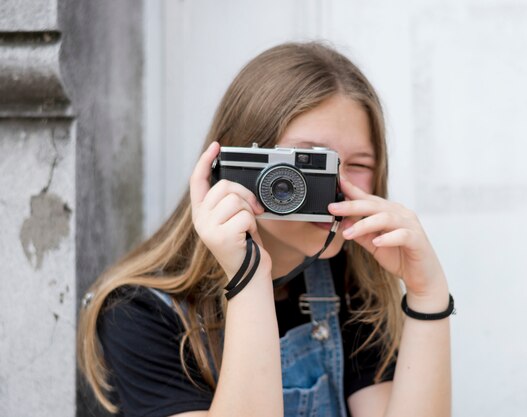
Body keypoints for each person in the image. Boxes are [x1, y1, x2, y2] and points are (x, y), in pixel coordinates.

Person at [77, 41, 452, 417]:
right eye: (310, 160)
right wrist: (249, 279)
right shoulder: (138, 312)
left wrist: (427, 295)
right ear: (237, 162)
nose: (334, 184)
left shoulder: (346, 280)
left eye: (358, 164)